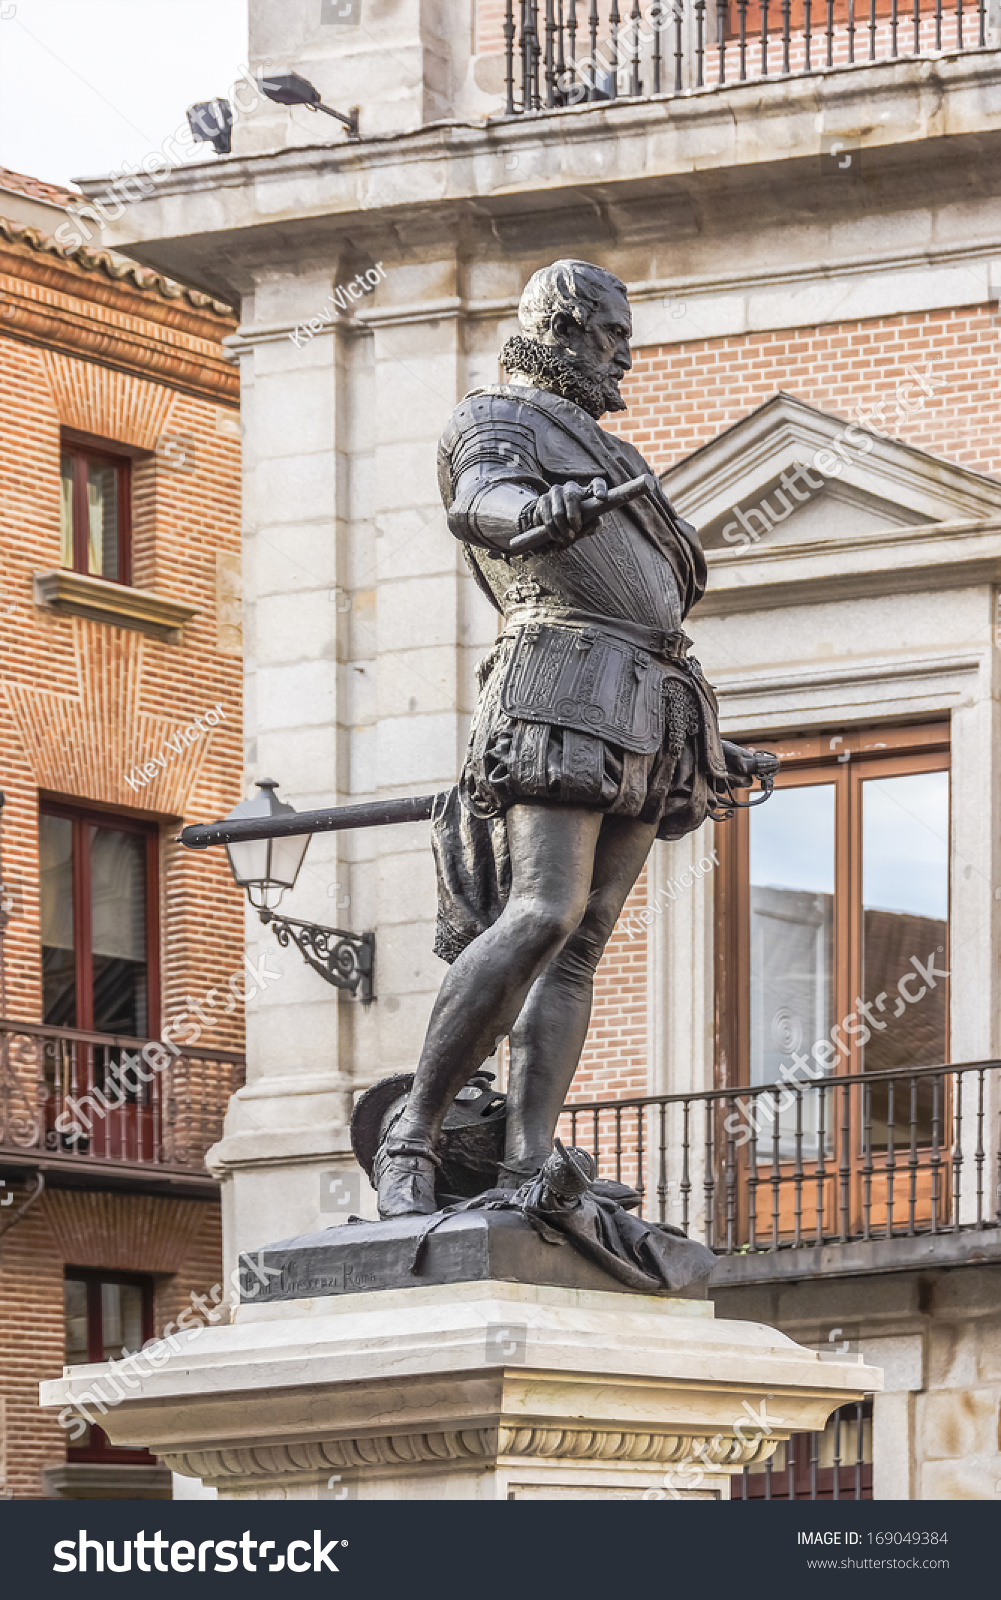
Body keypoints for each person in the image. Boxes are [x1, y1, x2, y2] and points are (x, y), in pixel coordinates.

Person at [374, 258, 776, 1217]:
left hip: (650, 700)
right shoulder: (498, 416)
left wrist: (715, 750)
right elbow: (478, 499)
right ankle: (414, 1135)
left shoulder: (606, 448)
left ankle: (526, 1160)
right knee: (542, 910)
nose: (622, 359)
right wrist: (533, 512)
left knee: (582, 942)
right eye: (610, 338)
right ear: (558, 326)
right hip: (557, 680)